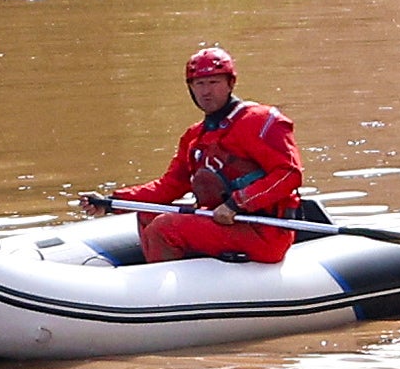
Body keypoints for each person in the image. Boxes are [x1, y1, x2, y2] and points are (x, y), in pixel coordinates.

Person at [83, 45, 304, 265]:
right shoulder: (194, 137)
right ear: (191, 88)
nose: (206, 92)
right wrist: (111, 202)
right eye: (199, 84)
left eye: (214, 82)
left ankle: (164, 284)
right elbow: (168, 187)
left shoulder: (260, 121)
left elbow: (289, 174)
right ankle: (166, 275)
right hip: (223, 222)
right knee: (147, 214)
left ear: (230, 83)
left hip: (264, 231)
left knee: (165, 228)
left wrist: (236, 204)